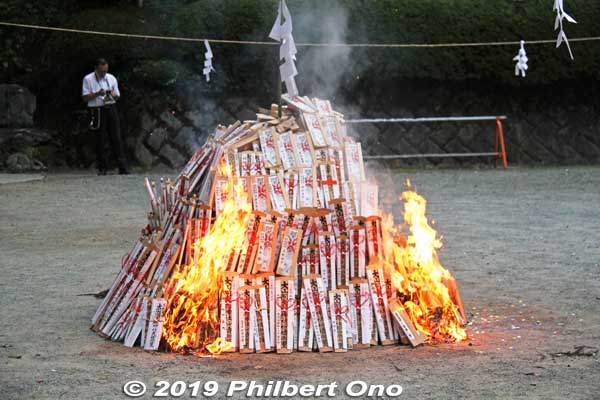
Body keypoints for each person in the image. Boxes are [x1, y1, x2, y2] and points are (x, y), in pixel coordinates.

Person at [82, 58, 129, 175]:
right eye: (101, 71)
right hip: (97, 109)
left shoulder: (111, 78)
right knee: (100, 139)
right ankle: (103, 167)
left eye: (105, 71)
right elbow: (85, 98)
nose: (104, 73)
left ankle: (122, 167)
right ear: (96, 69)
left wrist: (113, 94)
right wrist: (98, 93)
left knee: (116, 137)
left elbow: (118, 96)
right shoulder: (88, 79)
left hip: (111, 107)